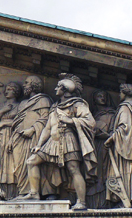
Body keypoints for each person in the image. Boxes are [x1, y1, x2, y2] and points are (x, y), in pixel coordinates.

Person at [19, 74, 97, 210]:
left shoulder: (77, 104)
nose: (55, 89)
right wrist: (38, 145)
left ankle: (82, 202)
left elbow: (90, 122)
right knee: (31, 161)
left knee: (74, 169)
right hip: (52, 142)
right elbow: (48, 128)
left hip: (68, 140)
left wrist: (71, 120)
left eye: (58, 87)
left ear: (65, 89)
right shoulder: (55, 106)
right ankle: (34, 193)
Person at [8, 76, 52, 198]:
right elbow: (16, 122)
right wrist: (11, 138)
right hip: (19, 137)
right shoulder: (22, 103)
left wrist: (32, 129)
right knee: (19, 165)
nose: (24, 85)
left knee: (34, 164)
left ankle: (37, 192)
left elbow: (46, 119)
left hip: (34, 136)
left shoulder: (43, 100)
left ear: (34, 85)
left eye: (26, 83)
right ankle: (23, 191)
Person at [87, 89, 116, 209]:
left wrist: (105, 134)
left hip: (106, 146)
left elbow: (114, 133)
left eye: (104, 96)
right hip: (92, 146)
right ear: (94, 99)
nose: (102, 98)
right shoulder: (92, 115)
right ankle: (91, 200)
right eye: (99, 96)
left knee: (103, 172)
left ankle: (105, 199)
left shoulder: (112, 114)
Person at [104, 84, 132, 206]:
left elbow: (124, 128)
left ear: (124, 93)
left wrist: (111, 138)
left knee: (124, 171)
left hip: (125, 146)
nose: (119, 95)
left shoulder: (125, 107)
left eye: (120, 92)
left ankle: (125, 199)